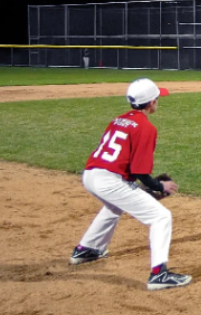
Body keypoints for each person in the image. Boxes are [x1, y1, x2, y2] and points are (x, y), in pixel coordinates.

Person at [68, 78, 191, 291]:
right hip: (109, 180)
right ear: (151, 102)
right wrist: (159, 187)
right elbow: (140, 171)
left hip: (91, 175)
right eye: (157, 98)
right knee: (161, 217)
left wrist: (144, 189)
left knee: (114, 207)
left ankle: (87, 249)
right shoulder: (146, 128)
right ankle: (158, 275)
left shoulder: (119, 120)